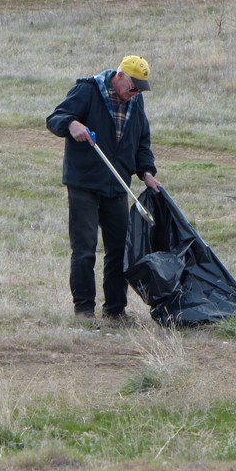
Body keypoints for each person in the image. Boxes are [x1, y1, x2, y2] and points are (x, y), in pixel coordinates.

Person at [46, 55, 161, 324]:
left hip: (117, 185)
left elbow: (142, 140)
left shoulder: (135, 102)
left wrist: (146, 172)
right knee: (85, 248)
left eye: (140, 90)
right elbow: (55, 118)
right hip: (84, 183)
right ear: (120, 76)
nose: (135, 94)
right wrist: (71, 124)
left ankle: (115, 311)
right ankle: (84, 311)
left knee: (119, 249)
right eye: (133, 87)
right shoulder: (87, 90)